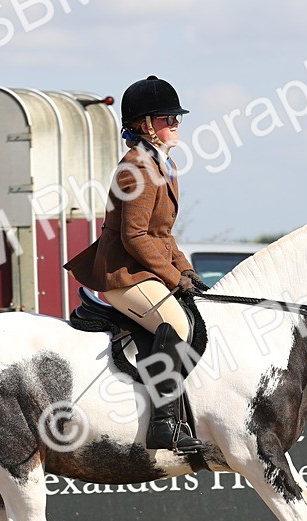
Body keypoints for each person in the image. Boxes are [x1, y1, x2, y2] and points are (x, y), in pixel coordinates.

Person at [64, 76, 205, 454]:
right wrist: (172, 276)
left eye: (176, 117)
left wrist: (186, 271)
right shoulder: (136, 169)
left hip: (142, 270)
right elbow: (136, 237)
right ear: (146, 125)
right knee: (176, 324)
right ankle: (162, 425)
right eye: (167, 118)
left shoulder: (163, 164)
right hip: (122, 274)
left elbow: (162, 234)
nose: (176, 123)